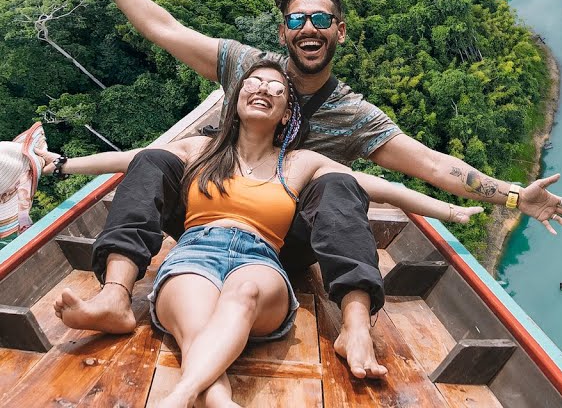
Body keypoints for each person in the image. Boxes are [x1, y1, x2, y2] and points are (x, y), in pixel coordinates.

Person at [58, 0, 562, 378]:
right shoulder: (248, 71)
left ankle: (355, 329)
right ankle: (114, 296)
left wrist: (514, 197)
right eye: (296, 20)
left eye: (320, 20)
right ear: (284, 33)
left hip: (287, 239)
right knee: (154, 160)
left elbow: (434, 165)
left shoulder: (353, 117)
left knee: (336, 185)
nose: (308, 28)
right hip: (206, 213)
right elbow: (166, 29)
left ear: (339, 32)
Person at [40, 62, 483, 408]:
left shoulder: (301, 163)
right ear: (235, 101)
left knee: (247, 288)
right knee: (152, 167)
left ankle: (180, 395)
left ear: (286, 112)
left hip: (262, 260)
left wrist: (450, 210)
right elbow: (127, 160)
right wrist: (60, 164)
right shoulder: (200, 149)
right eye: (254, 83)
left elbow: (382, 187)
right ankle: (122, 303)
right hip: (195, 251)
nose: (264, 90)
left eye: (277, 88)